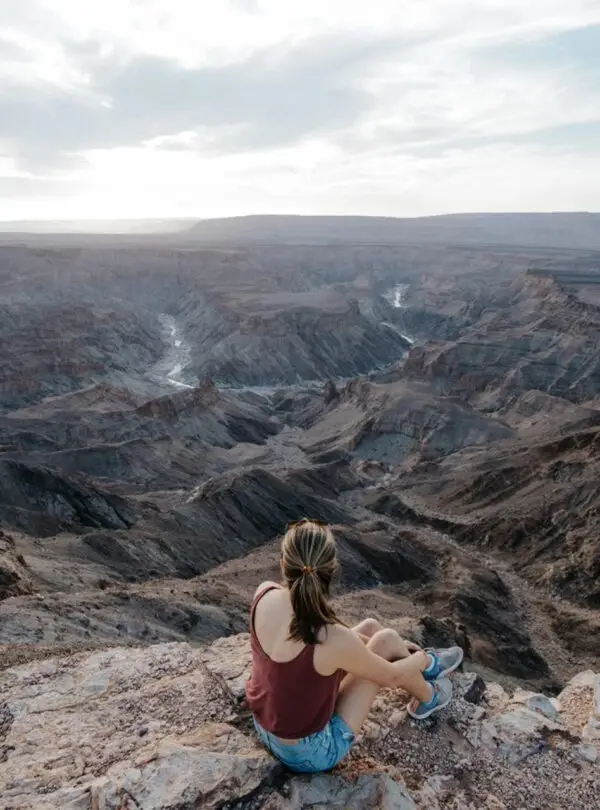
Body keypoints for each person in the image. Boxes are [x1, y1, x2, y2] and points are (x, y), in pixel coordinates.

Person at [245, 518, 464, 774]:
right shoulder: (329, 637)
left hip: (263, 722)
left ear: (284, 563)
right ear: (331, 569)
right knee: (385, 640)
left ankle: (426, 675)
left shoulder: (264, 593)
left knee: (371, 627)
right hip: (308, 753)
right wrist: (422, 659)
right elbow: (391, 677)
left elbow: (330, 647)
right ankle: (430, 692)